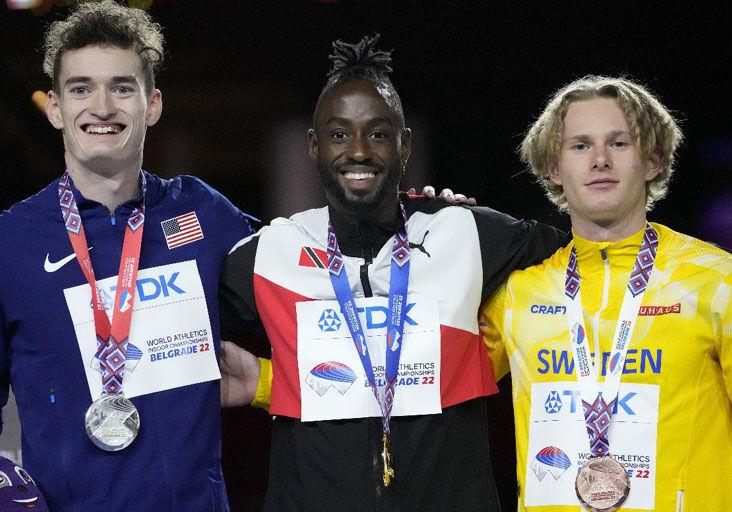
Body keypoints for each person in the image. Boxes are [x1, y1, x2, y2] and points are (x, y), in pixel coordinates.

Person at [219, 34, 564, 512]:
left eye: (378, 134)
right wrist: (263, 381)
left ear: (404, 146)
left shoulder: (466, 233)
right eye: (339, 134)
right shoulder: (266, 255)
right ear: (314, 146)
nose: (358, 150)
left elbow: (584, 245)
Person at [0, 1, 254, 509]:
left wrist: (421, 218)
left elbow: (313, 281)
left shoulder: (203, 213)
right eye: (80, 88)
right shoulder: (12, 241)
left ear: (152, 104)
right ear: (54, 108)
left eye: (121, 87)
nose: (102, 107)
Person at [480, 76, 732, 511]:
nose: (599, 160)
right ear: (554, 168)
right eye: (579, 146)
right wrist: (431, 231)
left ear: (652, 160)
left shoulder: (715, 281)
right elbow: (431, 385)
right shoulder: (519, 295)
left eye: (619, 143)